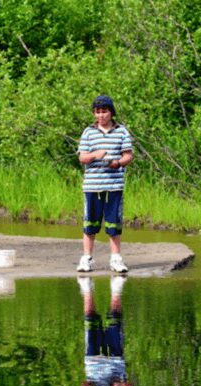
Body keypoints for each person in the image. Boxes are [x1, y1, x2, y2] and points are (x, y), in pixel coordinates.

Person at [76, 95, 134, 273]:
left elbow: (128, 156)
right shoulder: (88, 132)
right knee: (90, 223)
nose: (101, 115)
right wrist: (95, 155)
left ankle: (116, 259)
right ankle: (86, 258)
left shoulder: (122, 131)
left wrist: (118, 163)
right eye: (97, 112)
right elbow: (82, 157)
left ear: (111, 112)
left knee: (114, 223)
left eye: (104, 111)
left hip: (114, 185)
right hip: (92, 185)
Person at [77, 276, 134, 386]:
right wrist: (120, 385)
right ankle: (116, 290)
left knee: (91, 321)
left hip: (94, 362)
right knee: (114, 321)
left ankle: (87, 290)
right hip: (116, 362)